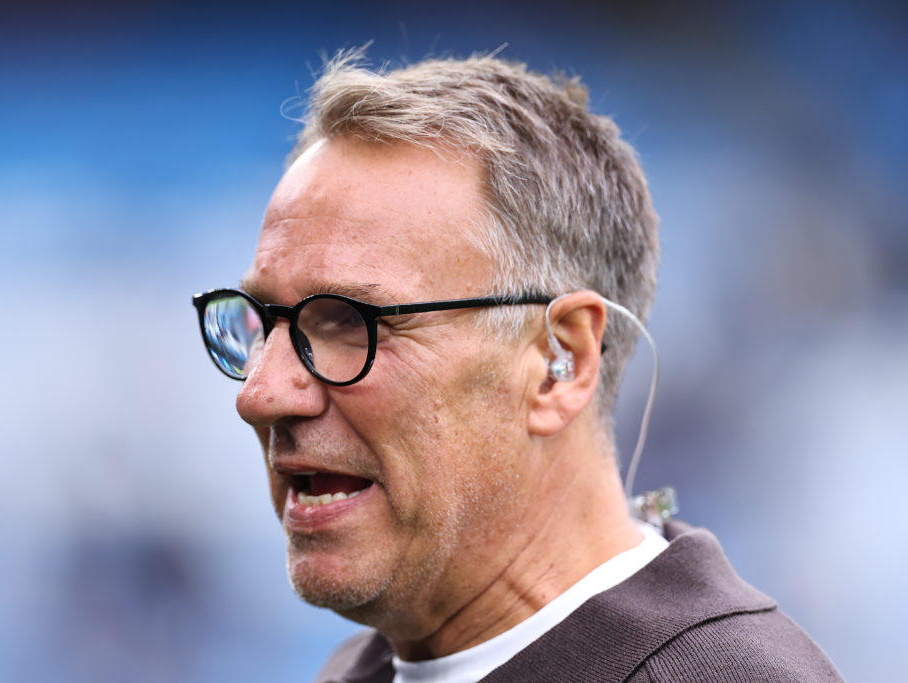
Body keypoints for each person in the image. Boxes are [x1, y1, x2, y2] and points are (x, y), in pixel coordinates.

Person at [192, 51, 841, 682]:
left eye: (345, 321)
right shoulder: (363, 666)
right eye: (262, 321)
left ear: (563, 359)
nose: (261, 392)